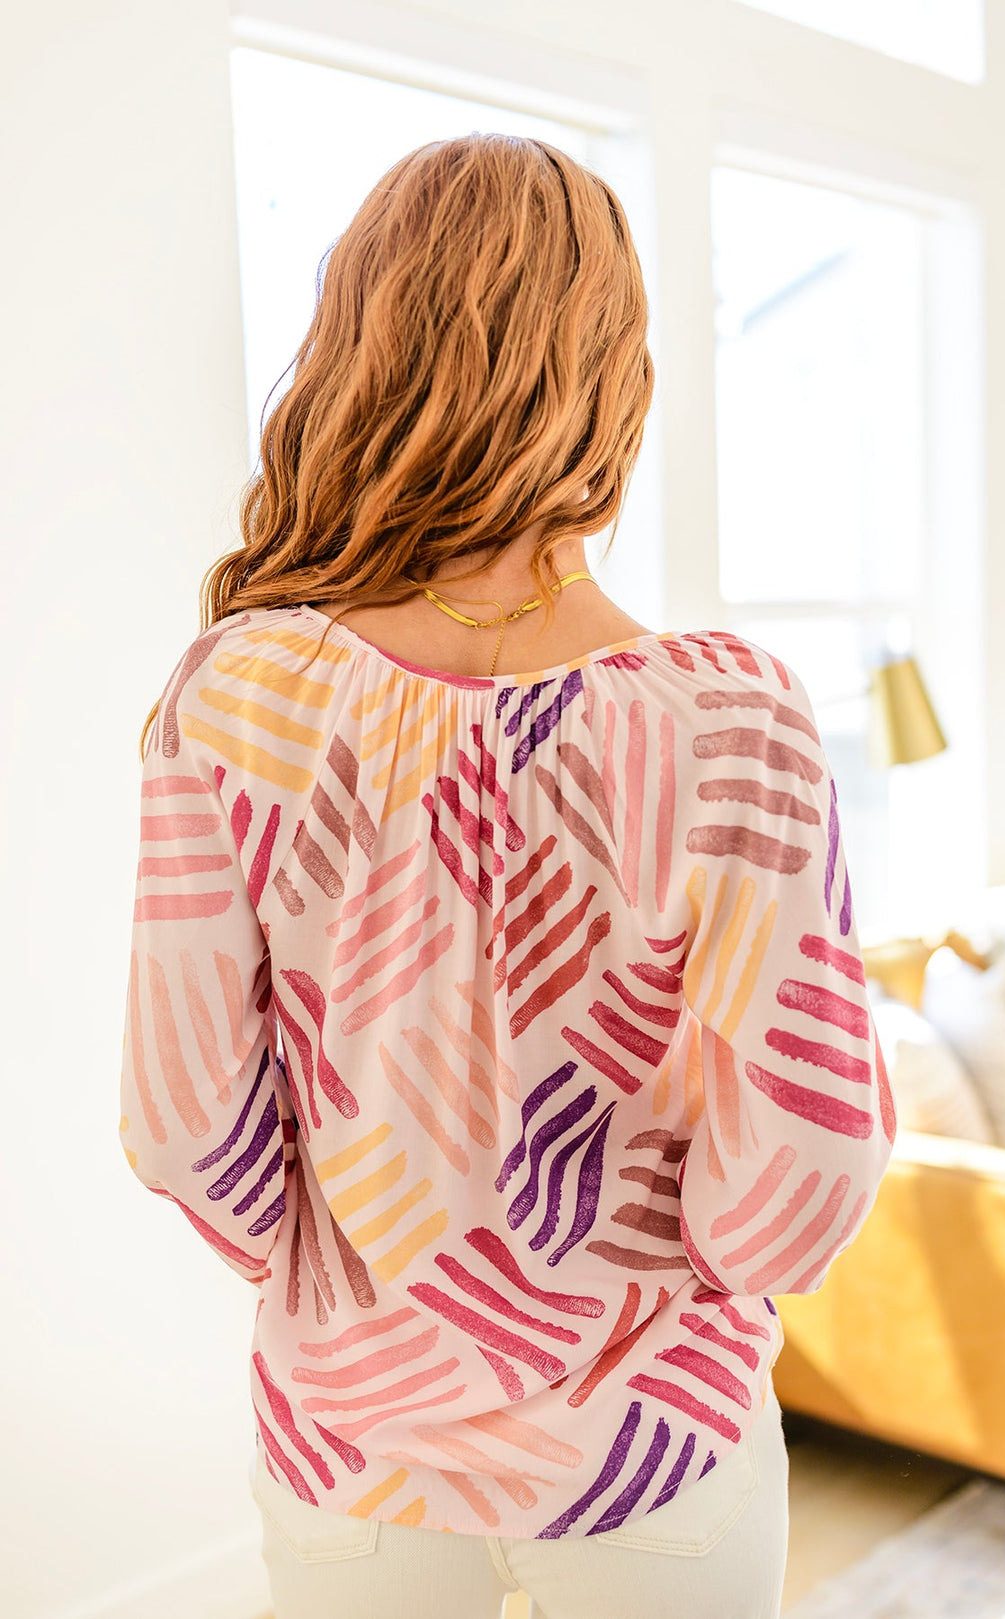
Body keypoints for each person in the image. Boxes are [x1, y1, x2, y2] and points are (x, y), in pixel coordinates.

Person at [118, 133, 895, 1619]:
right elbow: (805, 1165)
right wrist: (648, 1280)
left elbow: (184, 1123)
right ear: (615, 383)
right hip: (655, 1453)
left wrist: (361, 1286)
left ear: (356, 350)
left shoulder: (236, 694)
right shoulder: (729, 720)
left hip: (346, 1452)